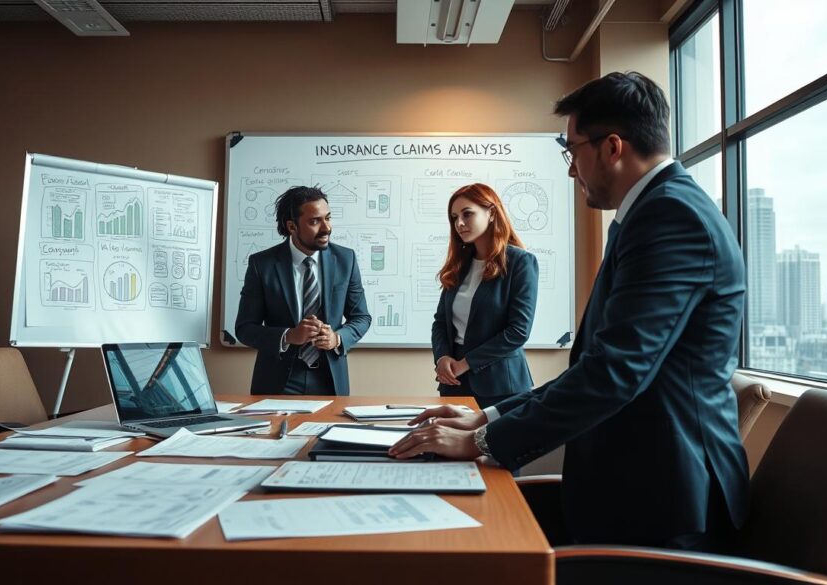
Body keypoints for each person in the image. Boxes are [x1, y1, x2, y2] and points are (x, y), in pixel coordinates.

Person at [390, 71, 750, 552]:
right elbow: (595, 366)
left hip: (666, 502)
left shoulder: (671, 217)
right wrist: (485, 419)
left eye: (572, 149)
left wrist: (483, 443)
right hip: (633, 490)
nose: (570, 168)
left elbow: (616, 372)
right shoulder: (649, 214)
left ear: (612, 147)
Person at [236, 186, 371, 396]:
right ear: (292, 226)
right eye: (315, 221)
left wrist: (337, 338)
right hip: (278, 381)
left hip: (330, 380)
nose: (326, 228)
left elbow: (361, 317)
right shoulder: (261, 264)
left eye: (328, 218)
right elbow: (244, 328)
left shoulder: (346, 260)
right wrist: (288, 335)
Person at [431, 183, 539, 410]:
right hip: (454, 381)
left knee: (494, 446)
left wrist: (466, 363)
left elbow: (518, 331)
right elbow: (440, 322)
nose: (459, 223)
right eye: (454, 217)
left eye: (467, 214)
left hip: (500, 385)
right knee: (447, 444)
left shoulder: (520, 262)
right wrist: (442, 359)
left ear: (491, 213)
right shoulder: (458, 266)